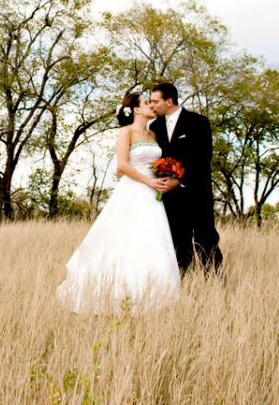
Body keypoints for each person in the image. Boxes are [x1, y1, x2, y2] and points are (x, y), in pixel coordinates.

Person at [56, 93, 180, 314]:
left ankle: (154, 299)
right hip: (134, 192)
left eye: (152, 102)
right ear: (136, 110)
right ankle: (118, 295)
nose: (151, 106)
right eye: (146, 103)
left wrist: (166, 172)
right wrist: (149, 180)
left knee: (153, 242)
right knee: (126, 242)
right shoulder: (126, 132)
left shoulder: (153, 134)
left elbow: (159, 160)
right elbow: (122, 165)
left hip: (153, 198)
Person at [148, 82, 223, 273]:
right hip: (171, 199)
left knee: (206, 241)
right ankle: (185, 287)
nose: (152, 105)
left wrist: (179, 180)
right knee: (178, 245)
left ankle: (214, 285)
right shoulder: (155, 126)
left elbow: (203, 158)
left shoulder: (198, 122)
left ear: (169, 101)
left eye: (155, 101)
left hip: (197, 194)